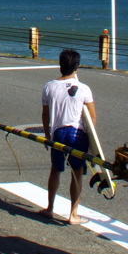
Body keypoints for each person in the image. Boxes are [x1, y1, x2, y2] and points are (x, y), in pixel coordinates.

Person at [40, 49, 96, 224]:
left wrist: (48, 135)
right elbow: (92, 117)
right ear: (77, 67)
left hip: (57, 133)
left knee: (55, 170)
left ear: (60, 66)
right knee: (76, 173)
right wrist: (91, 141)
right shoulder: (84, 89)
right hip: (77, 133)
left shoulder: (49, 86)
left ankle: (50, 208)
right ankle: (73, 214)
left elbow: (45, 115)